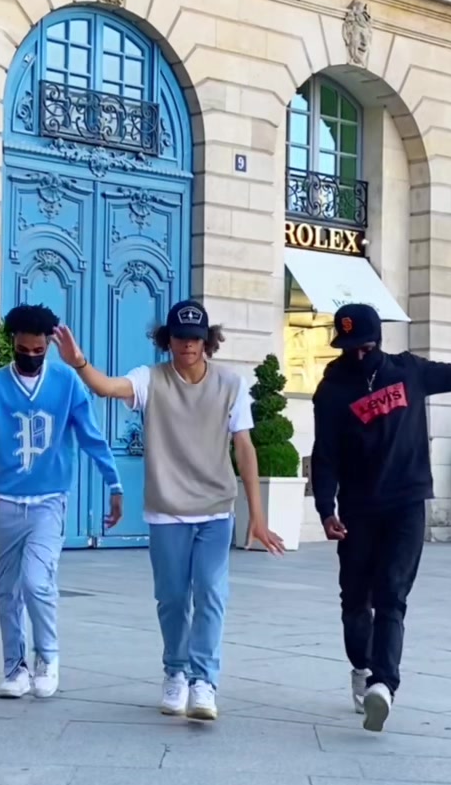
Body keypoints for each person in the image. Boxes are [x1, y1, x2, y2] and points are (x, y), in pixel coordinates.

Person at [54, 300, 284, 723]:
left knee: (211, 591)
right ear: (168, 340)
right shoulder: (151, 379)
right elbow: (107, 388)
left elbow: (245, 448)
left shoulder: (231, 384)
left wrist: (257, 515)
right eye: (180, 337)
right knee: (173, 598)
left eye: (196, 338)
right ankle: (175, 672)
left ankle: (204, 681)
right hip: (167, 511)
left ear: (207, 341)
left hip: (215, 510)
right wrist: (79, 363)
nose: (188, 345)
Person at [312, 298, 451, 732]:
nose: (359, 355)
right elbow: (325, 455)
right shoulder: (332, 391)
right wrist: (325, 509)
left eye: (365, 346)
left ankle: (383, 684)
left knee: (392, 594)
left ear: (377, 340)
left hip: (406, 504)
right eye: (350, 347)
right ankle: (362, 667)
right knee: (355, 601)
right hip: (357, 509)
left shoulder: (408, 370)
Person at [0, 303, 123, 701]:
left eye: (38, 350)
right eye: (24, 350)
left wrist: (114, 483)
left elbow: (90, 435)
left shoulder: (67, 382)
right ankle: (14, 668)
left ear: (48, 345)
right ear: (13, 343)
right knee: (6, 587)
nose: (31, 357)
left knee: (36, 582)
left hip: (49, 500)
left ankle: (47, 658)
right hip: (6, 500)